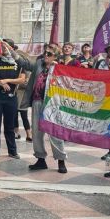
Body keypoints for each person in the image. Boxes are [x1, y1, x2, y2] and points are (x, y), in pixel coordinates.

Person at [22, 43, 68, 173]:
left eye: (49, 54)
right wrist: (12, 53)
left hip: (52, 104)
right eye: (45, 53)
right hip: (37, 101)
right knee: (36, 132)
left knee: (54, 133)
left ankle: (61, 160)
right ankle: (40, 159)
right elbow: (25, 64)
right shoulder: (39, 64)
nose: (45, 55)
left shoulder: (60, 69)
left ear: (55, 56)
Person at [0, 42, 27, 158]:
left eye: (6, 47)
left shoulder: (19, 63)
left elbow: (22, 80)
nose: (3, 48)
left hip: (11, 98)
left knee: (10, 126)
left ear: (11, 48)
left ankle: (12, 151)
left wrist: (6, 81)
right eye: (1, 47)